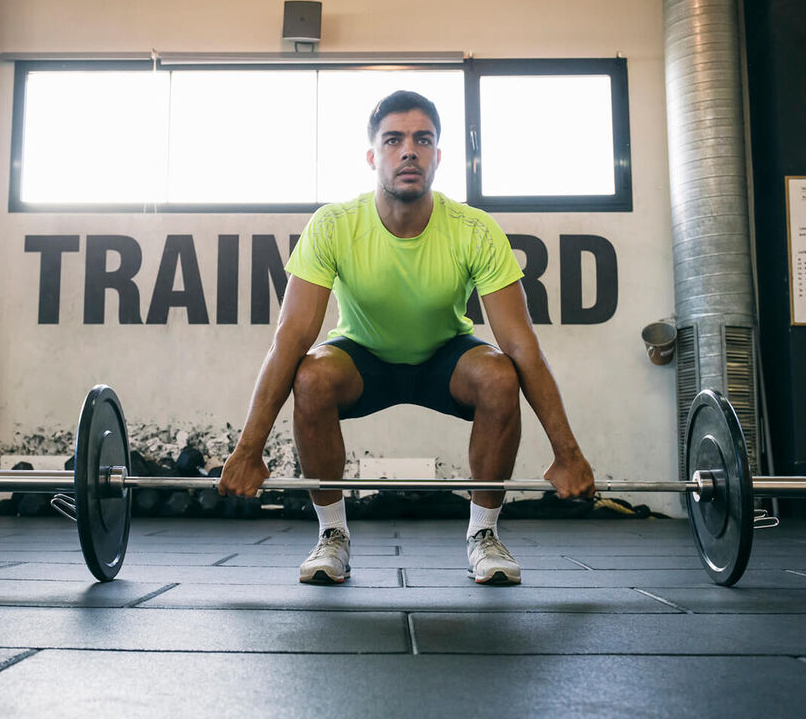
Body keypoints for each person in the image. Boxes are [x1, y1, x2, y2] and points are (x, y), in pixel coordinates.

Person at [218, 90, 595, 585]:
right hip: (363, 359)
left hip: (444, 358)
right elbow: (288, 340)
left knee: (502, 375)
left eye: (423, 139)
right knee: (309, 376)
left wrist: (567, 452)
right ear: (373, 157)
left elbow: (524, 347)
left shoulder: (475, 230)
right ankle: (332, 535)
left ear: (438, 156)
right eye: (394, 140)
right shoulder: (333, 225)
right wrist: (249, 450)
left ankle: (483, 534)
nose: (409, 150)